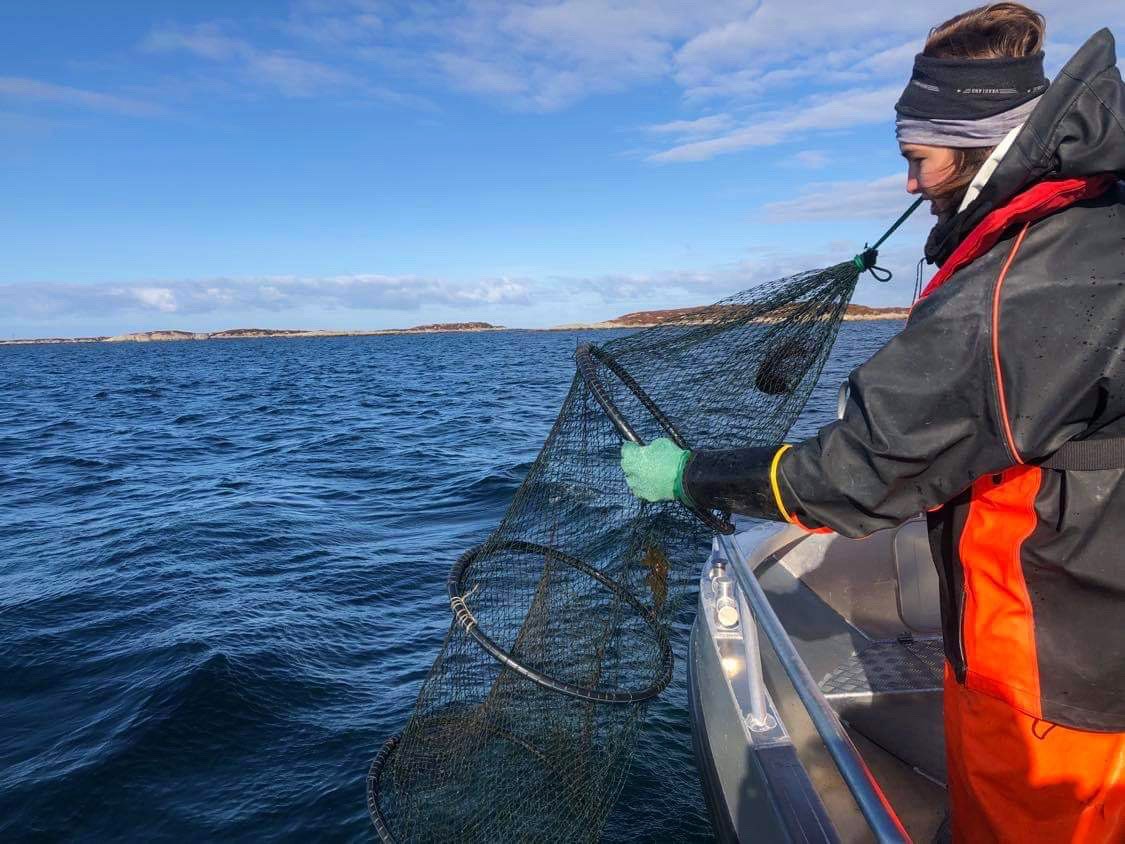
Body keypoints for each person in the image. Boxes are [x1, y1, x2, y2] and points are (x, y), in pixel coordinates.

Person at [620, 4, 1125, 842]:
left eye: (915, 159)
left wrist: (689, 475)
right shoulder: (1094, 225)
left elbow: (859, 473)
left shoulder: (1022, 284)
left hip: (1051, 656)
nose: (907, 184)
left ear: (976, 145)